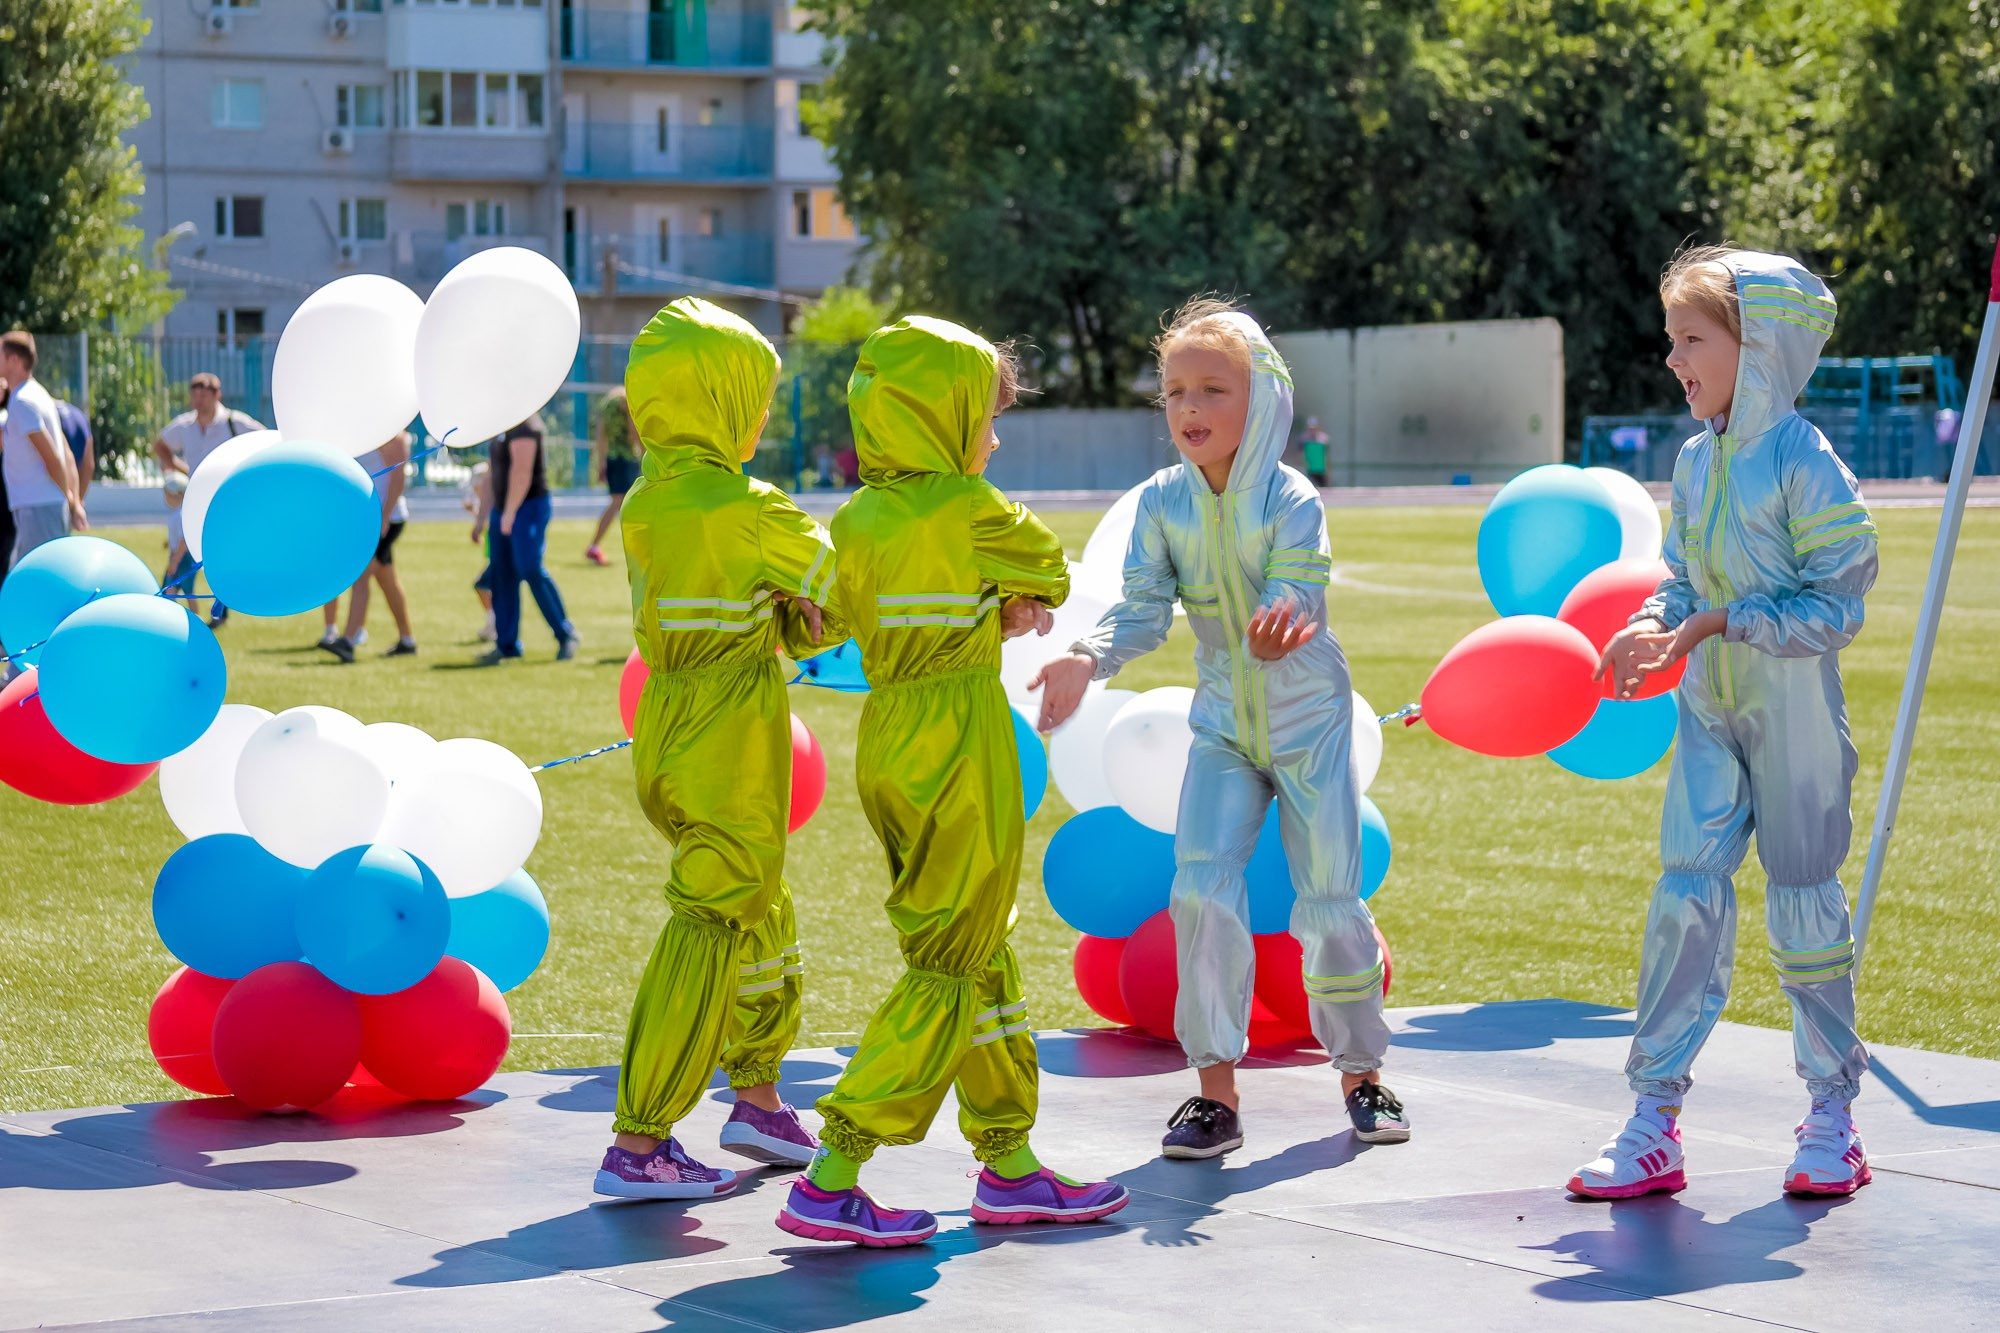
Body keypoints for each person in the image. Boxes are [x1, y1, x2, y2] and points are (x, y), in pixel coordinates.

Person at [777, 316, 1127, 1249]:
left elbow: (813, 626)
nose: (997, 437)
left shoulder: (855, 518)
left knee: (976, 945)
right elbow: (1048, 568)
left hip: (888, 739)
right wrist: (1010, 605)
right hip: (960, 735)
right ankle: (835, 1168)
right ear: (943, 419)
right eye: (986, 416)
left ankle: (1009, 1163)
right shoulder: (974, 507)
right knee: (946, 960)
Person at [1032, 299, 1408, 1161]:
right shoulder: (1161, 502)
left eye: (1212, 389)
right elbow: (1141, 608)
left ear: (1263, 400)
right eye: (1174, 393)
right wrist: (1087, 656)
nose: (1190, 409)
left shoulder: (1291, 496)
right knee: (1200, 889)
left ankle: (1363, 1077)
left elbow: (1298, 587)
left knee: (1329, 900)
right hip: (1224, 725)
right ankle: (1214, 1094)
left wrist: (1285, 617)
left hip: (1309, 717)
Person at [1572, 248, 1878, 1201]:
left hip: (1793, 723)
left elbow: (1839, 605)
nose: (1674, 358)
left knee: (1805, 905)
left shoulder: (1804, 461)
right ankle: (1652, 1117)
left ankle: (1833, 1116)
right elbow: (1682, 580)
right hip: (1712, 712)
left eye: (1692, 338)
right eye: (1672, 339)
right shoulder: (1695, 462)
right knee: (1683, 900)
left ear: (1764, 346)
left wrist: (1713, 624)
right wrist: (1654, 624)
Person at [593, 298, 839, 1201]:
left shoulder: (649, 501)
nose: (765, 416)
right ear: (720, 400)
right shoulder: (751, 506)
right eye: (757, 396)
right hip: (731, 726)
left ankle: (758, 1093)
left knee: (753, 901)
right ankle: (640, 1138)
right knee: (709, 923)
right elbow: (839, 594)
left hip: (665, 719)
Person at [155, 372, 262, 628]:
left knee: (218, 556)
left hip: (226, 500)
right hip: (196, 499)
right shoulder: (186, 425)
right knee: (185, 548)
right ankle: (170, 601)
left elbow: (264, 440)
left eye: (204, 395)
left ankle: (212, 609)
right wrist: (178, 469)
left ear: (217, 395)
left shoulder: (234, 422)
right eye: (195, 395)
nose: (199, 400)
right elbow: (160, 444)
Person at [474, 414, 580, 664]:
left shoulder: (525, 425)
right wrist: (481, 519)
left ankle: (566, 633)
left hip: (528, 507)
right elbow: (491, 475)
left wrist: (510, 513)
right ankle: (507, 644)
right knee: (502, 575)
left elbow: (521, 472)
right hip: (504, 510)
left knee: (530, 568)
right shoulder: (500, 422)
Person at [320, 433, 417, 662]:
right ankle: (407, 640)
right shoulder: (366, 428)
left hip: (386, 519)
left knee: (361, 577)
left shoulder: (392, 434)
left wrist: (384, 516)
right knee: (386, 579)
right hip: (371, 518)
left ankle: (349, 640)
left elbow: (398, 477)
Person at [2, 331, 88, 566]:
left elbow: (53, 458)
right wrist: (74, 501)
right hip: (40, 506)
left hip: (37, 508)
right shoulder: (37, 394)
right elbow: (67, 454)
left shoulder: (22, 402)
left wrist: (71, 501)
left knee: (38, 580)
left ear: (14, 361)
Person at [585, 386, 640, 566]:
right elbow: (633, 430)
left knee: (620, 503)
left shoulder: (607, 403)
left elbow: (601, 435)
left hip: (612, 459)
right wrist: (645, 451)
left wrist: (601, 462)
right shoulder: (626, 400)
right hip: (626, 458)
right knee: (622, 503)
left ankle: (595, 545)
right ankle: (595, 545)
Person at [463, 460, 497, 641]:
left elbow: (490, 524)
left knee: (482, 585)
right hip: (493, 555)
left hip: (498, 556)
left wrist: (475, 513)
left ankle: (494, 624)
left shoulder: (493, 503)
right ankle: (492, 623)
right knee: (486, 587)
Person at [54, 399, 94, 502]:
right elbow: (89, 465)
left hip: (53, 498)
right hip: (73, 495)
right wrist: (79, 499)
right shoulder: (79, 416)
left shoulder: (44, 414)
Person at [1296, 415, 1330, 488]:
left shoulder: (1323, 439)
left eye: (1314, 428)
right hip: (1309, 470)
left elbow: (1326, 456)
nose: (1312, 431)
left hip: (1321, 470)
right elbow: (1299, 454)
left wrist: (1328, 471)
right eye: (1310, 428)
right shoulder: (1304, 439)